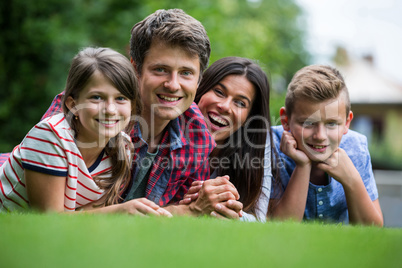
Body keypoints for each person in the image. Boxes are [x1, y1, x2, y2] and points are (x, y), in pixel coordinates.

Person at [1, 9, 221, 217]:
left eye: (186, 73)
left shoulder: (197, 133)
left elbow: (188, 210)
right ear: (135, 69)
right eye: (160, 70)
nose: (173, 85)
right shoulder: (88, 108)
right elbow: (47, 194)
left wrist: (213, 202)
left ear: (199, 79)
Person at [0, 47, 171, 216]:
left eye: (120, 98)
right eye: (97, 97)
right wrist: (120, 210)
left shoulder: (123, 147)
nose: (110, 110)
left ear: (132, 105)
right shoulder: (50, 136)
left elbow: (90, 216)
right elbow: (49, 220)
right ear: (73, 104)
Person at [268, 64, 383, 226]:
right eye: (308, 123)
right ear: (286, 121)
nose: (320, 136)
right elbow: (278, 226)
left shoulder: (356, 147)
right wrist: (302, 165)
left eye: (331, 124)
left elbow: (373, 230)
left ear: (347, 122)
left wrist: (351, 179)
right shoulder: (271, 145)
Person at [179, 57, 274, 221]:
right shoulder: (171, 128)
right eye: (219, 92)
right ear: (201, 90)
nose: (225, 106)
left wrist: (227, 211)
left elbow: (259, 220)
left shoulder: (255, 147)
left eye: (240, 103)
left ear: (249, 118)